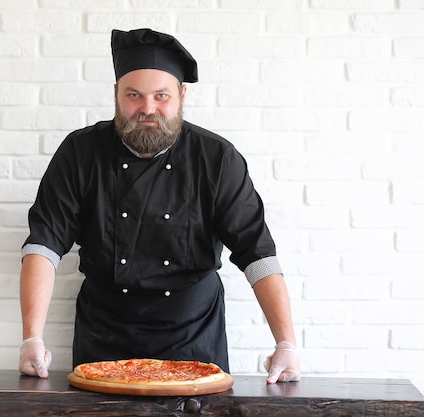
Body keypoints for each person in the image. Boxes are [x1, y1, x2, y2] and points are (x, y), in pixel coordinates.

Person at [18, 28, 300, 384]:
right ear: (117, 94)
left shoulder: (216, 159)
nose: (147, 109)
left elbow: (257, 253)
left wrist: (286, 342)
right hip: (105, 331)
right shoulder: (80, 153)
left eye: (161, 96)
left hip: (193, 331)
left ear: (182, 95)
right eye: (133, 95)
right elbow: (44, 245)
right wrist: (32, 337)